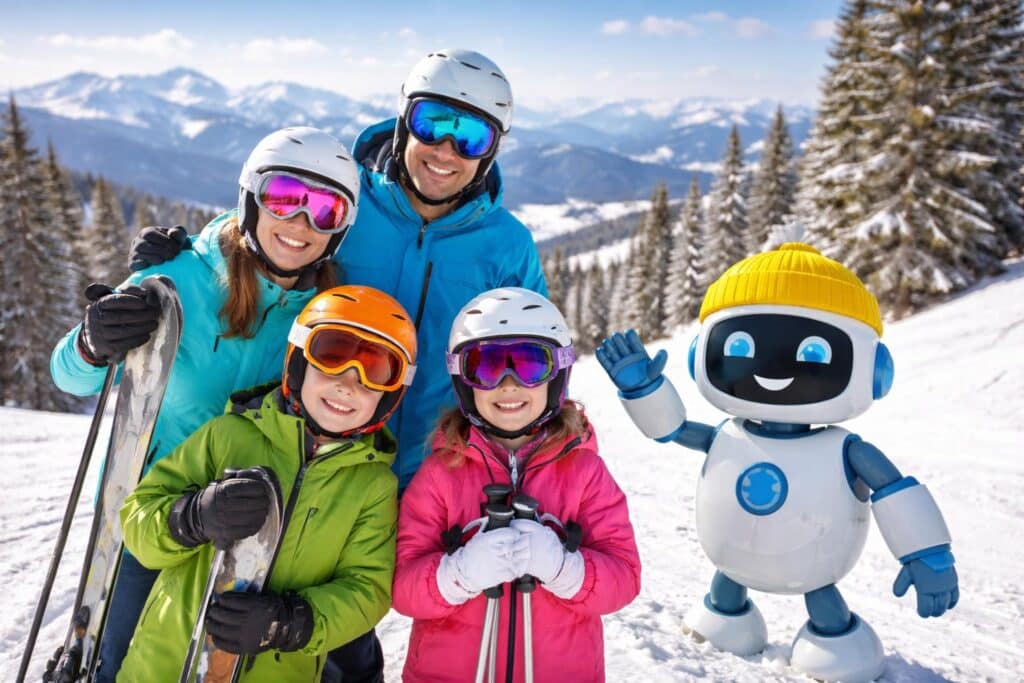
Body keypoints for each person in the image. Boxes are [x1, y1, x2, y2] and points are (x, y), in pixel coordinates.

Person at [128, 48, 549, 682]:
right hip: (300, 445)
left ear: (493, 149)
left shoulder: (506, 244)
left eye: (472, 135)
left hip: (408, 474)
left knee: (345, 620)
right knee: (212, 607)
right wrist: (193, 249)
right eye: (435, 122)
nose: (446, 150)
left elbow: (526, 344)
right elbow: (277, 226)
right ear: (405, 119)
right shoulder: (355, 197)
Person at [49, 126, 361, 682]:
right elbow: (70, 378)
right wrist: (94, 342)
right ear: (251, 199)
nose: (302, 223)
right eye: (286, 198)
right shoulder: (179, 278)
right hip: (154, 516)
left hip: (254, 524)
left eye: (326, 211)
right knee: (121, 665)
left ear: (341, 230)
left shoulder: (324, 315)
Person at [597, 243, 959, 683]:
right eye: (743, 345)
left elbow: (893, 488)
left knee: (821, 595)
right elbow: (671, 429)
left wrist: (927, 552)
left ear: (874, 372)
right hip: (731, 557)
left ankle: (835, 640)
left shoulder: (843, 449)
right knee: (730, 581)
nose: (773, 368)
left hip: (816, 565)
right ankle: (725, 613)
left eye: (812, 353)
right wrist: (643, 391)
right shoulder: (729, 435)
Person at [117, 285, 415, 681]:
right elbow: (137, 518)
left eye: (374, 370)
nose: (349, 383)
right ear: (298, 362)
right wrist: (192, 517)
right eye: (332, 355)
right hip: (164, 665)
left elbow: (367, 589)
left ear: (390, 395)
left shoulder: (372, 486)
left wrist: (290, 623)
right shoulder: (228, 436)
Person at [393, 287, 641, 682]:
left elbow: (624, 578)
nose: (508, 385)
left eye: (529, 365)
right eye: (486, 367)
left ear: (557, 375)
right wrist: (459, 574)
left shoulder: (584, 472)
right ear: (463, 381)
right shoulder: (441, 474)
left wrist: (564, 568)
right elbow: (403, 587)